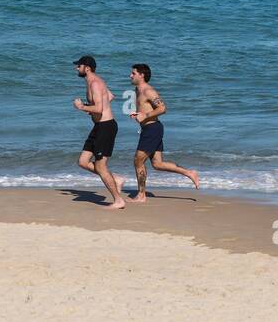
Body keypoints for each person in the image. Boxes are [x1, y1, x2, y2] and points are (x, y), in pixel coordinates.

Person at [128, 63, 200, 202]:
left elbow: (162, 109)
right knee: (157, 164)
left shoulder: (148, 91)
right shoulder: (137, 90)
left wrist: (145, 116)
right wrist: (139, 114)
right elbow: (147, 109)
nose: (130, 75)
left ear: (142, 75)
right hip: (150, 129)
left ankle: (141, 195)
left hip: (152, 129)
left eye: (133, 73)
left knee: (138, 160)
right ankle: (189, 173)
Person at [71, 55, 125, 209]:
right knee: (83, 161)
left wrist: (82, 107)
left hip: (106, 127)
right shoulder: (92, 82)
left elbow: (100, 109)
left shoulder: (95, 83)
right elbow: (110, 96)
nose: (77, 68)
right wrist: (93, 106)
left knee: (101, 167)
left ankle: (118, 200)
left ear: (87, 68)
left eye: (79, 66)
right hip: (99, 127)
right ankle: (116, 178)